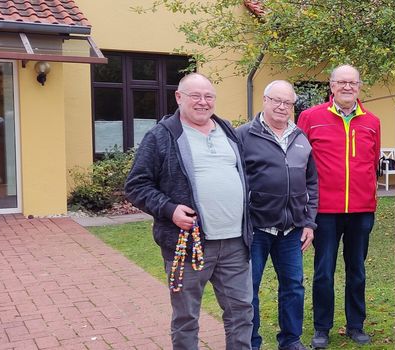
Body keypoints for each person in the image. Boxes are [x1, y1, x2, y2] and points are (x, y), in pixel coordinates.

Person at [125, 73, 253, 349]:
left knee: (241, 313)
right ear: (179, 97)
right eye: (196, 96)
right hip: (189, 244)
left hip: (234, 242)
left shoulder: (228, 130)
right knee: (186, 317)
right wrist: (169, 210)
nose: (203, 102)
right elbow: (136, 185)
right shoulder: (161, 136)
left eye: (208, 96)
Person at [297, 64, 381, 348]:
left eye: (353, 83)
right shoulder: (311, 117)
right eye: (341, 82)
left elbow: (373, 162)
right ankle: (322, 327)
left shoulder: (372, 121)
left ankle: (356, 325)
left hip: (361, 210)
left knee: (356, 270)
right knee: (323, 271)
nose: (347, 87)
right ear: (331, 86)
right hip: (325, 211)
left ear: (359, 86)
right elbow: (300, 162)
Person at [237, 80, 318, 350]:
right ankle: (251, 342)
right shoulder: (244, 136)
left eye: (288, 103)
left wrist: (309, 222)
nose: (282, 107)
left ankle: (291, 340)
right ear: (265, 100)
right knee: (249, 290)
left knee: (294, 288)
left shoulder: (301, 138)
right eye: (277, 100)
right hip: (255, 229)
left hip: (292, 230)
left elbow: (312, 183)